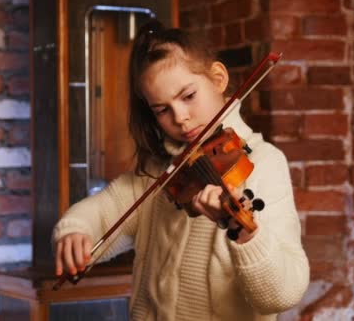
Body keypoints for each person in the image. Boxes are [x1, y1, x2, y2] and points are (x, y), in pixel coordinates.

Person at [52, 19, 309, 320]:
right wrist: (75, 232)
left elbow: (283, 294)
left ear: (218, 78)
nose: (181, 118)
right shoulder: (160, 170)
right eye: (162, 110)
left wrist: (244, 233)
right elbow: (102, 210)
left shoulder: (264, 163)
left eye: (188, 96)